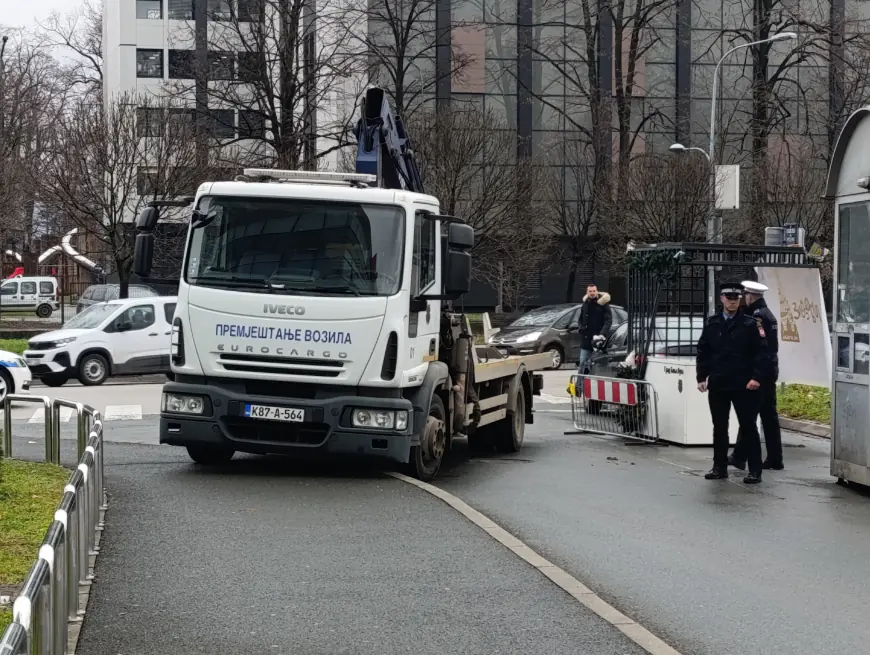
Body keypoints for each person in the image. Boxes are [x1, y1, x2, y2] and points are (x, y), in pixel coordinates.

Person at [696, 280, 770, 484]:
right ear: (722, 299)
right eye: (729, 298)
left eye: (736, 298)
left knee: (748, 427)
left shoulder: (750, 324)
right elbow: (703, 352)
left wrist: (756, 378)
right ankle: (719, 467)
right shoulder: (712, 323)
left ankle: (755, 470)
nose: (733, 302)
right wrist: (701, 377)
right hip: (719, 383)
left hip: (743, 384)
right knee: (719, 426)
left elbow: (761, 354)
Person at [729, 280, 783, 471]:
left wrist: (755, 374)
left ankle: (739, 456)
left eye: (745, 296)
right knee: (769, 416)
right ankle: (775, 458)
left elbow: (761, 347)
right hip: (770, 370)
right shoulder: (767, 314)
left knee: (748, 415)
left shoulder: (757, 317)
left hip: (760, 372)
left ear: (750, 296)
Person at [577, 283, 612, 374]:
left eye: (594, 291)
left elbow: (608, 321)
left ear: (597, 291)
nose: (592, 293)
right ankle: (580, 386)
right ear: (587, 292)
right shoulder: (585, 304)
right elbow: (580, 319)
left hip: (599, 342)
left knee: (601, 365)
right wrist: (581, 329)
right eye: (590, 291)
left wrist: (602, 335)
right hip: (586, 341)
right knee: (583, 363)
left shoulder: (603, 304)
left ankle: (600, 384)